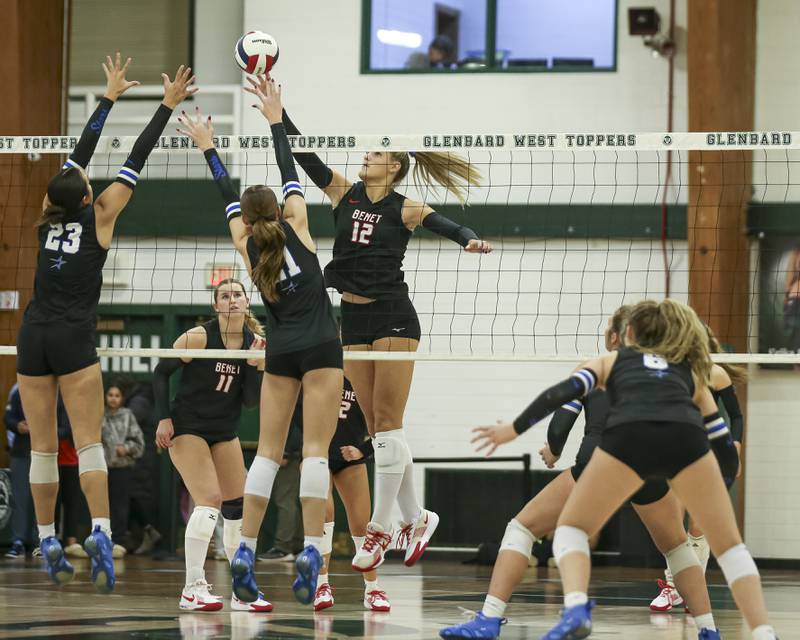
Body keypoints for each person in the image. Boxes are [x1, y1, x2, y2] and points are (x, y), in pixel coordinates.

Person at [270, 72, 492, 572]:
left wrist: (469, 240)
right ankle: (418, 515)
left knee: (388, 425)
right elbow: (306, 158)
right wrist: (276, 113)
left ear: (392, 166)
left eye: (374, 154)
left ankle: (382, 528)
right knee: (376, 429)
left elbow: (448, 224)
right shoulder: (343, 193)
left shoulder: (406, 206)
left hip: (393, 314)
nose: (364, 157)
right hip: (351, 316)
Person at [471, 299, 778, 640]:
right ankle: (740, 632)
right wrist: (722, 477)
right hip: (683, 447)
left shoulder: (610, 360)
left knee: (566, 529)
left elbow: (559, 395)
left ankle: (571, 608)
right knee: (710, 548)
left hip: (624, 445)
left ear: (626, 333)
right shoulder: (690, 372)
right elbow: (721, 435)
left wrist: (512, 429)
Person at [15, 52, 195, 592]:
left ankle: (47, 535)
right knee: (90, 444)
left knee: (43, 447)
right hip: (73, 336)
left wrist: (108, 98)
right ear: (89, 195)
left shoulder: (47, 219)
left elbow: (77, 159)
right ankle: (99, 531)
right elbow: (134, 157)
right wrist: (164, 106)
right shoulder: (101, 215)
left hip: (32, 335)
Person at [177, 80, 343, 607]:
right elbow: (290, 167)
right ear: (278, 210)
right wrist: (276, 116)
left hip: (282, 350)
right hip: (320, 345)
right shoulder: (297, 223)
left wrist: (208, 146)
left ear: (247, 221)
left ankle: (245, 546)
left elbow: (228, 194)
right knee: (315, 453)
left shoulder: (244, 244)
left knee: (268, 454)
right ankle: (314, 551)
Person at [152, 279, 270, 612]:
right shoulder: (199, 336)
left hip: (224, 430)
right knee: (209, 501)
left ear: (247, 303)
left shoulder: (255, 343)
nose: (232, 300)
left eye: (237, 295)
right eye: (225, 296)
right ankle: (192, 588)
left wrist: (255, 366)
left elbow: (249, 401)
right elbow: (160, 373)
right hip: (188, 427)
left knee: (238, 505)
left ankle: (241, 589)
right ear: (215, 306)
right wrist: (163, 419)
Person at [649, 325, 747, 611]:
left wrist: (737, 448)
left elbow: (737, 417)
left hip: (708, 452)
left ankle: (691, 589)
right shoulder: (666, 371)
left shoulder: (715, 373)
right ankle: (672, 587)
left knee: (698, 522)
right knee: (673, 519)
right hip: (675, 451)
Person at [313, 378, 390, 612]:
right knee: (324, 513)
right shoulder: (320, 370)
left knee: (361, 525)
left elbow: (388, 428)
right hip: (317, 453)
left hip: (350, 457)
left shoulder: (366, 379)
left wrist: (363, 450)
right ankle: (321, 585)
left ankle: (372, 588)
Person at [101, 383, 144, 554]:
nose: (113, 398)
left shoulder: (127, 416)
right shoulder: (99, 415)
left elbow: (139, 443)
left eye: (117, 395)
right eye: (110, 394)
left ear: (122, 398)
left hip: (122, 468)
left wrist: (125, 448)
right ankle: (101, 538)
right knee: (102, 504)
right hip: (101, 468)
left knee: (120, 506)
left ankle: (117, 542)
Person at [258, 413, 304, 563]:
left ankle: (283, 549)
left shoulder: (293, 393)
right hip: (291, 454)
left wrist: (287, 452)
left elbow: (296, 424)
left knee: (285, 501)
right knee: (289, 501)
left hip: (289, 456)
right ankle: (297, 546)